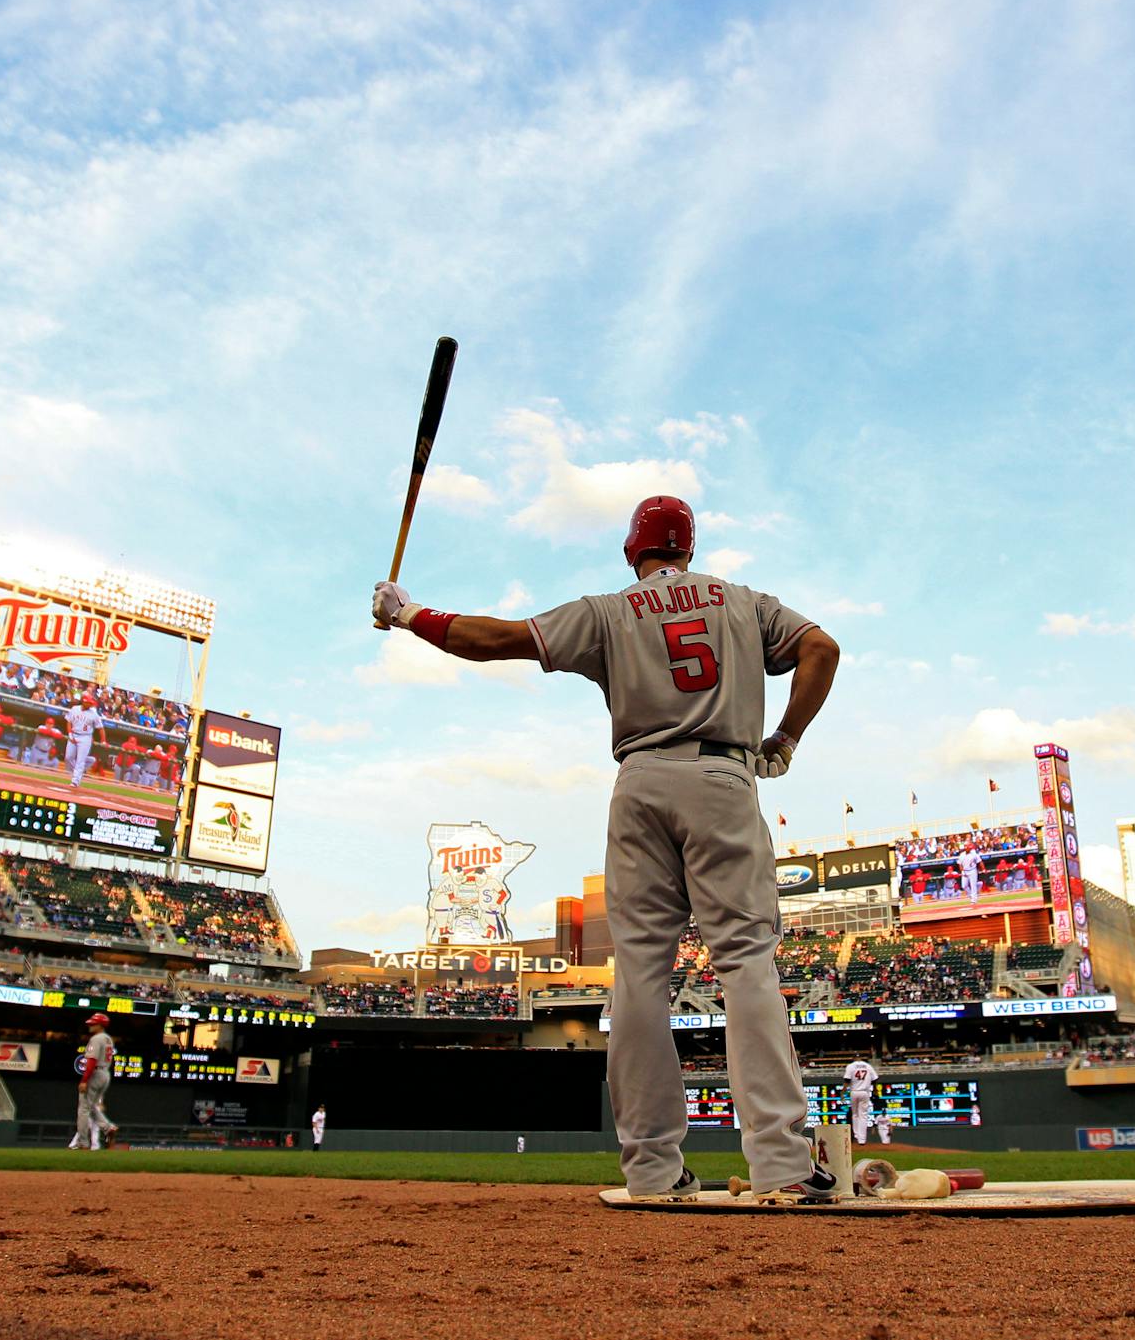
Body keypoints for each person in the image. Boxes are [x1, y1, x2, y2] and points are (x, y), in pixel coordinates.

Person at [374, 494, 842, 1204]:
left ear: (634, 551)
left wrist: (409, 615)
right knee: (745, 960)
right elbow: (821, 649)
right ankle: (779, 1163)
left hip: (640, 780)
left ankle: (652, 1168)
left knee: (639, 977)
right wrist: (784, 739)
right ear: (689, 548)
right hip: (723, 773)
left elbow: (495, 638)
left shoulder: (610, 610)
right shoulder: (744, 601)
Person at [70, 1013, 118, 1150]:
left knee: (83, 1109)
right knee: (91, 1107)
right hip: (105, 1074)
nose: (90, 1025)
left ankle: (83, 1143)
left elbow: (91, 1061)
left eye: (93, 1023)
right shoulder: (108, 1039)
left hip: (95, 1073)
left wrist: (84, 1080)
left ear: (100, 1025)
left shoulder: (96, 1039)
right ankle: (108, 1128)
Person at [843, 1056, 881, 1146]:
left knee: (855, 1114)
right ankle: (862, 1140)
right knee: (863, 1115)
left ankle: (856, 1135)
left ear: (854, 1059)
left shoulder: (851, 1066)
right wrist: (875, 1090)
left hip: (854, 1092)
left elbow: (847, 1080)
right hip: (865, 1092)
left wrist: (843, 1092)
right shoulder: (867, 1066)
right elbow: (875, 1079)